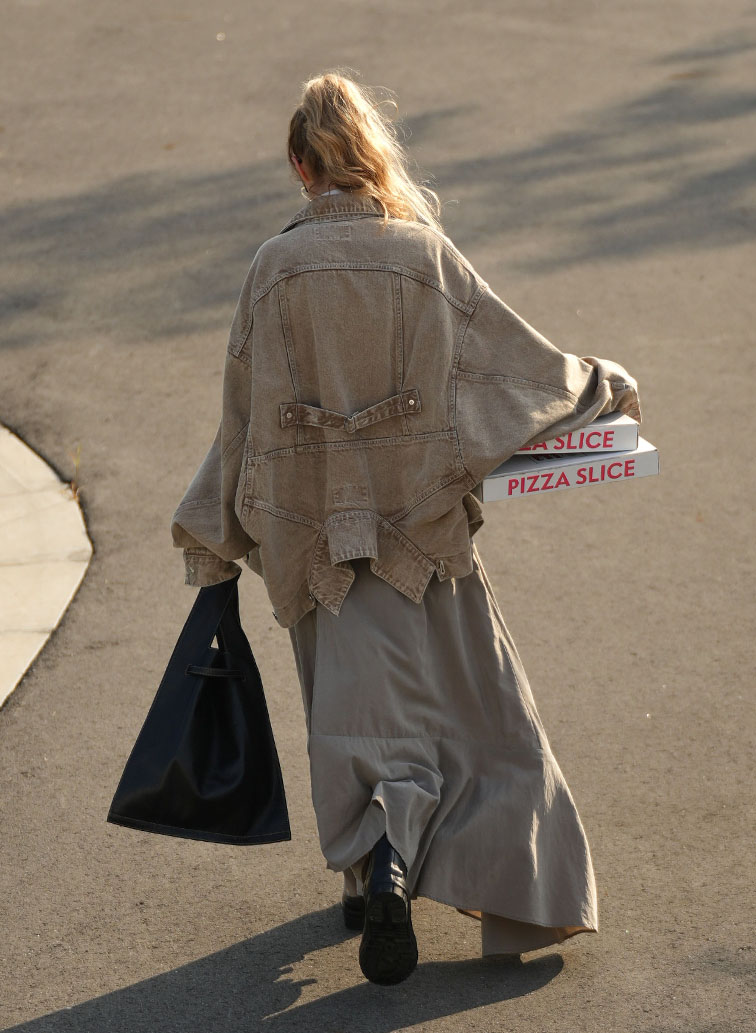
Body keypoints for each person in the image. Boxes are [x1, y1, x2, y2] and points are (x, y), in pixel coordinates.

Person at [170, 71, 641, 986]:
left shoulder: (272, 268)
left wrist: (210, 535)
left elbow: (246, 416)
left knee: (349, 713)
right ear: (369, 155)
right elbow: (514, 366)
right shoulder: (422, 254)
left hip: (311, 543)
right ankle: (476, 878)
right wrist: (604, 384)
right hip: (422, 539)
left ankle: (372, 866)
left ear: (302, 166)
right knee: (478, 713)